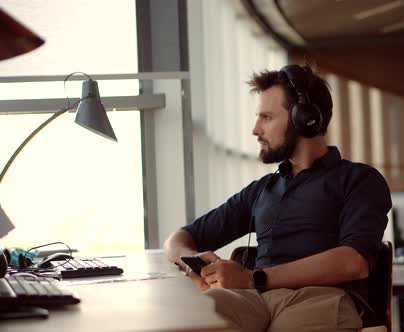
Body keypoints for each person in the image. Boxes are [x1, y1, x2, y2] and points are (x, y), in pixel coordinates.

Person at [163, 64, 392, 332]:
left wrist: (253, 278)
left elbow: (353, 262)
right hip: (252, 300)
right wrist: (193, 264)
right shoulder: (263, 189)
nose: (255, 130)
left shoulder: (359, 180)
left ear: (303, 119)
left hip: (320, 298)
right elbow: (177, 240)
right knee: (194, 318)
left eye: (266, 118)